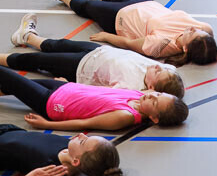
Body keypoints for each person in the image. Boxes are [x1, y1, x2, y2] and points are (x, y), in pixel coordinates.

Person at [33, 0, 217, 65]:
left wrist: (107, 36)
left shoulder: (161, 46)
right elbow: (205, 39)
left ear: (184, 49)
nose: (193, 27)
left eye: (192, 33)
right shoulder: (205, 30)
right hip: (146, 4)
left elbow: (129, 44)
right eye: (199, 31)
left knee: (86, 6)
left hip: (119, 19)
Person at [3, 15, 184, 98]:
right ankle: (27, 36)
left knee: (34, 61)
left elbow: (97, 95)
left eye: (159, 72)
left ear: (151, 87)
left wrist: (69, 86)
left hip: (81, 68)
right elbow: (171, 76)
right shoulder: (168, 72)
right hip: (98, 51)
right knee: (56, 44)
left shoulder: (129, 88)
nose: (159, 67)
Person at [0, 67, 188, 132]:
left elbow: (85, 122)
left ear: (154, 118)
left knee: (7, 78)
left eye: (154, 102)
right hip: (64, 88)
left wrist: (47, 125)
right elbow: (101, 92)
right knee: (8, 86)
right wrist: (72, 84)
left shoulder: (125, 116)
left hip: (53, 105)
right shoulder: (140, 95)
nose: (152, 95)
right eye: (159, 94)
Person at [0, 126, 124, 176]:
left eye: (83, 141)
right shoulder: (71, 148)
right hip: (9, 131)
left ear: (76, 161)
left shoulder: (52, 172)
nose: (81, 134)